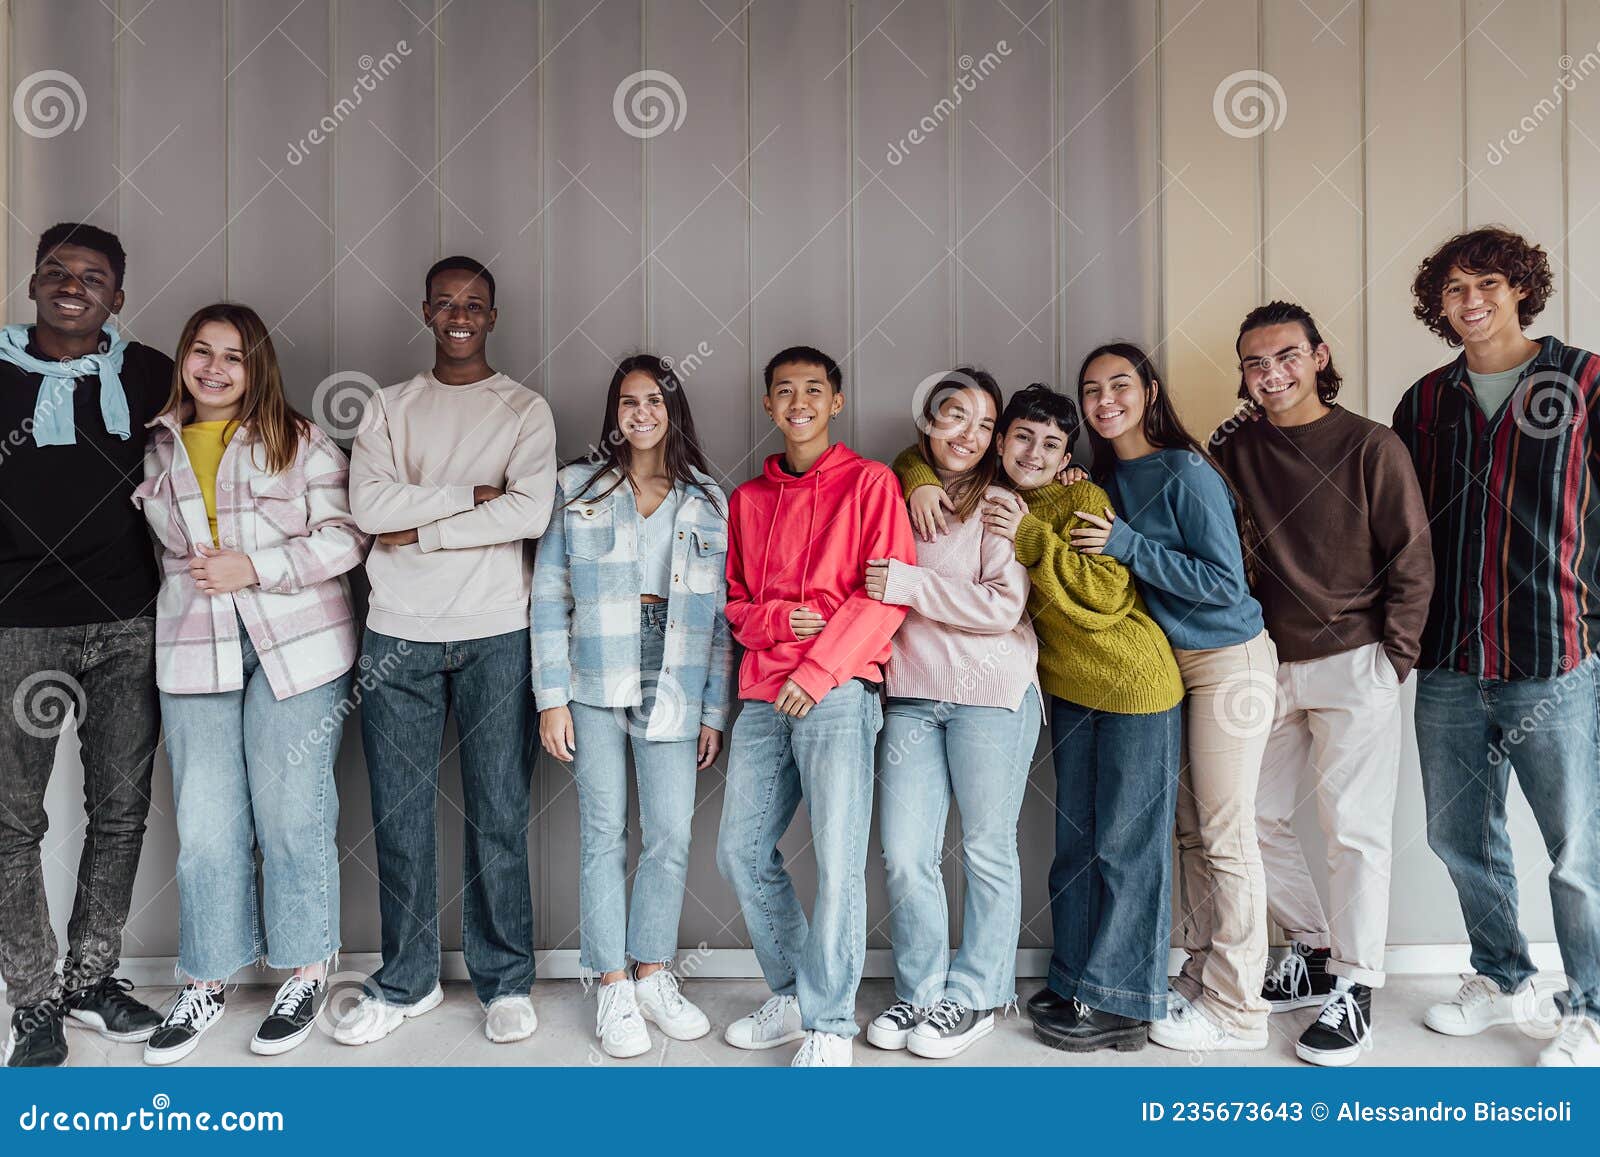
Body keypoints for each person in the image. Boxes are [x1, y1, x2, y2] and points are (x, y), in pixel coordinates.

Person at [897, 383, 1184, 1053]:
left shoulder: (1078, 498)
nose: (1033, 451)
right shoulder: (991, 482)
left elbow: (1107, 594)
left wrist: (1029, 536)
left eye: (1052, 444)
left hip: (1132, 678)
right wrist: (914, 476)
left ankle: (1128, 1004)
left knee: (1126, 850)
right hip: (1069, 689)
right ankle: (1073, 980)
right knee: (1077, 849)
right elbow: (926, 456)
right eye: (1021, 436)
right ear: (1001, 443)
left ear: (1066, 458)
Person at [132, 304, 368, 1064]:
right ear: (183, 358)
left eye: (232, 356)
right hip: (195, 650)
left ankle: (305, 967)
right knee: (204, 827)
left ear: (255, 366)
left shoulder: (298, 440)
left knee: (293, 814)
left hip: (294, 648)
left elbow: (347, 535)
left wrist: (256, 567)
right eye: (200, 351)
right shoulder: (157, 447)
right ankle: (208, 976)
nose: (214, 368)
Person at [336, 256, 557, 1048]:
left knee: (498, 811)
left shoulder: (525, 409)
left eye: (475, 304)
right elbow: (367, 505)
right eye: (446, 303)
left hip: (499, 628)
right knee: (399, 814)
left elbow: (531, 511)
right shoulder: (390, 408)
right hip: (399, 631)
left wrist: (419, 528)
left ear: (492, 315)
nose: (460, 315)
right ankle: (408, 978)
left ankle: (504, 979)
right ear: (425, 311)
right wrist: (472, 496)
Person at [1393, 226, 1600, 1067]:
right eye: (1454, 290)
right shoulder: (1425, 402)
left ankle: (1586, 1004)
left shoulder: (1585, 381)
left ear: (1520, 287)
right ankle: (1502, 975)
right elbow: (1401, 534)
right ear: (1438, 308)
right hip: (1447, 659)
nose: (1471, 300)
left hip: (1553, 653)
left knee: (1577, 845)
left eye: (1486, 283)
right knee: (1458, 837)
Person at [1212, 301, 1433, 1065]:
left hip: (1357, 658)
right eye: (1255, 362)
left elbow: (1412, 557)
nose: (1271, 373)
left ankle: (1356, 985)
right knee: (1246, 816)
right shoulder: (1235, 447)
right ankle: (1309, 946)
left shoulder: (1371, 445)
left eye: (1286, 356)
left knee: (1356, 831)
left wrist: (1392, 658)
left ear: (1318, 355)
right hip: (1264, 659)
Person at [1071, 344, 1276, 1053]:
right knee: (1186, 833)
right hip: (1166, 669)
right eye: (1091, 389)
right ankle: (1196, 974)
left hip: (1227, 660)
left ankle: (1241, 1008)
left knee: (1225, 835)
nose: (1105, 400)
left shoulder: (1185, 469)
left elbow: (1226, 584)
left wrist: (1127, 544)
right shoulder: (1103, 478)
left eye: (1120, 385)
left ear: (1150, 390)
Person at [716, 345, 916, 1067]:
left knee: (836, 860)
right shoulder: (747, 500)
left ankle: (830, 1021)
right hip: (765, 692)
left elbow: (887, 593)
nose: (797, 401)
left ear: (835, 402)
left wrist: (824, 665)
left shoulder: (871, 484)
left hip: (838, 690)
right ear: (768, 406)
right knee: (740, 848)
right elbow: (736, 606)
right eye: (782, 390)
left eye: (812, 389)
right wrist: (780, 624)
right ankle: (796, 990)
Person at [0, 223, 171, 1066]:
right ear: (33, 283)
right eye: (58, 273)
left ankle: (90, 979)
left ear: (118, 296)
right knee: (10, 819)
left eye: (93, 276)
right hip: (16, 625)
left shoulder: (148, 374)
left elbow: (230, 438)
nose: (73, 285)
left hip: (127, 622)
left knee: (121, 809)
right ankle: (33, 1002)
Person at [532, 354, 732, 1058]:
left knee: (671, 832)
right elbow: (549, 595)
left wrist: (714, 707)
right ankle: (611, 981)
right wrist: (550, 697)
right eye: (628, 401)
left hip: (674, 664)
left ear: (674, 410)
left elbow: (719, 618)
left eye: (655, 400)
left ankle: (652, 970)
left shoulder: (708, 498)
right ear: (613, 412)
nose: (641, 413)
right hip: (594, 664)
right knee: (603, 831)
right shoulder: (578, 486)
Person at [863, 370, 1040, 1060]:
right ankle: (922, 986)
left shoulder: (1000, 505)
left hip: (991, 696)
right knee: (906, 854)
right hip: (911, 696)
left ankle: (978, 993)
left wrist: (911, 584)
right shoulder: (897, 493)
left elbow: (1002, 606)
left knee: (987, 849)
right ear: (927, 423)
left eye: (985, 423)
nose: (968, 434)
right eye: (953, 416)